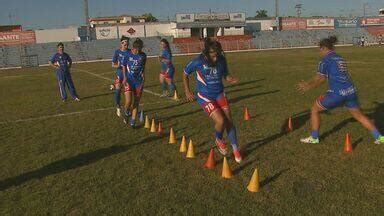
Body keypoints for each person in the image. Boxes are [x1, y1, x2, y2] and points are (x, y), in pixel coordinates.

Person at [297, 36, 384, 145]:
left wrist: (308, 85)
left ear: (323, 48)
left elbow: (321, 78)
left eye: (319, 49)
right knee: (359, 115)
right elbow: (324, 76)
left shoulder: (325, 60)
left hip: (338, 93)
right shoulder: (339, 57)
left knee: (314, 109)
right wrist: (309, 83)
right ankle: (379, 137)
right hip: (351, 90)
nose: (319, 51)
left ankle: (314, 137)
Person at [183, 38, 242, 163]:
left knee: (229, 121)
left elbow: (225, 74)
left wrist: (230, 78)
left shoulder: (221, 59)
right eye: (213, 56)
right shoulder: (198, 61)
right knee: (220, 120)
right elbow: (185, 73)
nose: (216, 59)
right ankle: (218, 139)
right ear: (207, 53)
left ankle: (236, 148)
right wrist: (187, 91)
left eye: (217, 55)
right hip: (205, 96)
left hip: (219, 93)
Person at [122, 38, 147, 127]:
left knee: (136, 103)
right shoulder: (127, 54)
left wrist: (143, 76)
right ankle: (126, 112)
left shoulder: (143, 56)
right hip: (129, 80)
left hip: (138, 82)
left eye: (140, 49)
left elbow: (143, 67)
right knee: (128, 101)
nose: (138, 51)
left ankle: (133, 122)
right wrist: (124, 77)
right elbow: (124, 65)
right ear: (133, 48)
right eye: (137, 49)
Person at [112, 36, 130, 117]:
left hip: (128, 75)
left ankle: (128, 109)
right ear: (121, 43)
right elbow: (113, 64)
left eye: (127, 43)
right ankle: (118, 106)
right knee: (118, 90)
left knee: (129, 93)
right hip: (119, 74)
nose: (126, 45)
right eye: (124, 43)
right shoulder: (117, 52)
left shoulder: (130, 52)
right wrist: (118, 65)